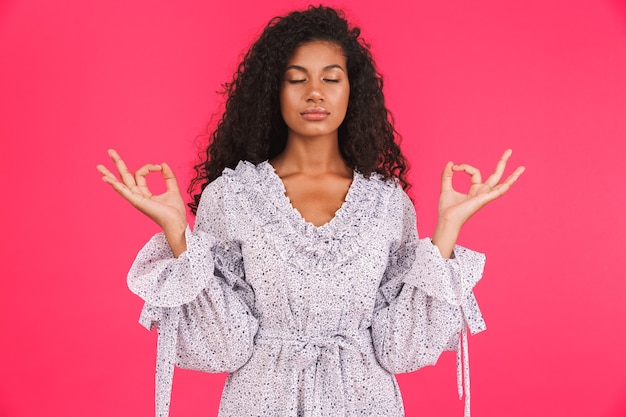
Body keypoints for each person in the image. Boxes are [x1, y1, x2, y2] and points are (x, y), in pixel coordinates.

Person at [97, 6, 524, 417]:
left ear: (352, 90)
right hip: (257, 403)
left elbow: (399, 350)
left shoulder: (388, 204)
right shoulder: (231, 197)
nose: (315, 92)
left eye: (331, 79)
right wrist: (177, 233)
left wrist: (446, 231)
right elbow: (225, 347)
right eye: (296, 79)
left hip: (367, 404)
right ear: (273, 91)